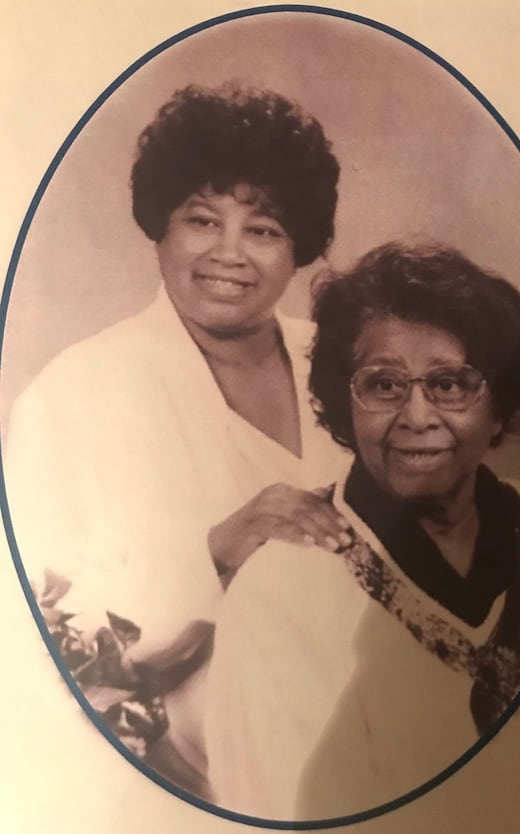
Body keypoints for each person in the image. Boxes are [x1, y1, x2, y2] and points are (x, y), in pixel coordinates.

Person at [3, 83, 352, 788]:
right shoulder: (75, 392)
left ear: (298, 247)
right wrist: (219, 550)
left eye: (262, 229)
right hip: (194, 779)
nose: (229, 254)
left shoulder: (346, 366)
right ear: (159, 226)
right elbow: (42, 641)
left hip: (372, 743)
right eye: (202, 220)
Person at [203, 243, 520, 821]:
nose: (416, 416)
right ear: (343, 402)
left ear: (502, 405)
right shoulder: (281, 593)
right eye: (383, 385)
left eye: (451, 384)